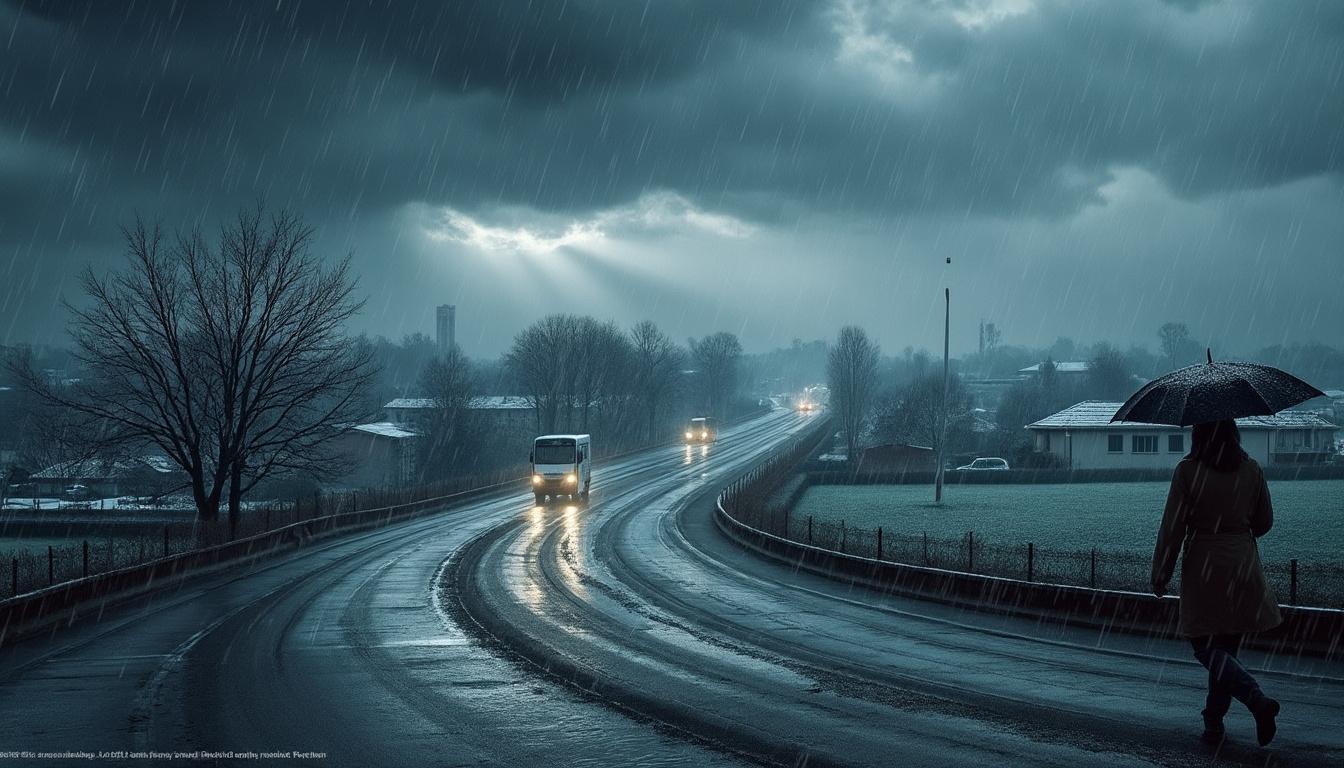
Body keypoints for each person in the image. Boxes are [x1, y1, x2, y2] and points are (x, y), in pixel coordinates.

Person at [1151, 419, 1282, 747]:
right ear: (1233, 434)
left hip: (1204, 566)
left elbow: (1173, 529)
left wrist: (1161, 573)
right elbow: (1264, 521)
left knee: (1205, 646)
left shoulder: (1188, 471)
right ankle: (1213, 721)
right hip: (1242, 565)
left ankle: (1255, 699)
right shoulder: (1250, 469)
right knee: (1226, 650)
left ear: (1198, 435)